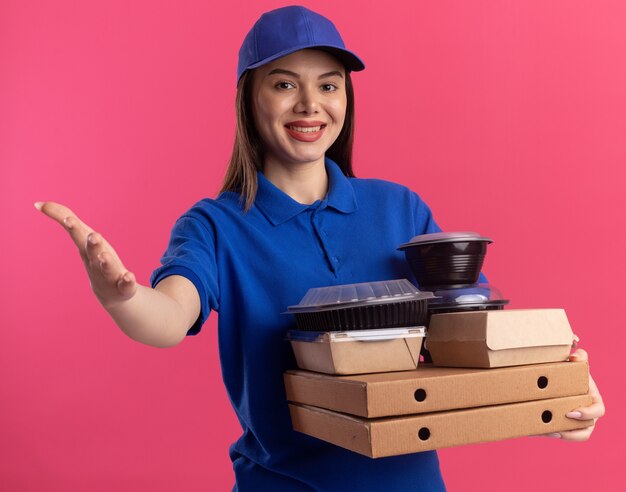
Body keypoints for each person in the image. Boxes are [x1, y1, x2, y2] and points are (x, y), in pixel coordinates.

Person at [35, 5, 605, 491]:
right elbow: (166, 316)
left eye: (328, 84)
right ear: (248, 99)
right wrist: (123, 296)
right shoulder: (215, 226)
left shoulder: (399, 209)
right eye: (284, 84)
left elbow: (473, 336)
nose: (310, 104)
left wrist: (556, 392)